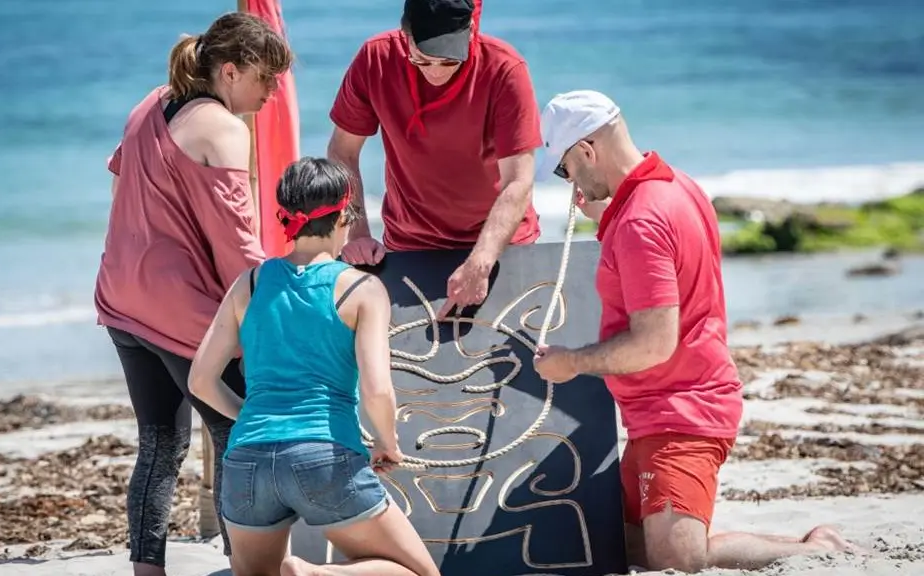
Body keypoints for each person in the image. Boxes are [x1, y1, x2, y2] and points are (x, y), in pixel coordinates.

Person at [530, 90, 862, 572]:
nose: (568, 182)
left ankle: (817, 551)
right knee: (600, 544)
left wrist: (573, 362)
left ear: (586, 151)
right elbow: (658, 259)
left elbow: (653, 343)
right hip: (660, 409)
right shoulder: (673, 186)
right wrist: (604, 216)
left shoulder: (639, 220)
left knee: (676, 560)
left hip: (683, 411)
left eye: (565, 169)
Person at [93, 12, 293, 575]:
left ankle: (147, 569)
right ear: (231, 71)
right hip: (184, 319)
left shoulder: (151, 102)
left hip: (122, 300)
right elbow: (238, 248)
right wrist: (284, 312)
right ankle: (246, 566)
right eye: (266, 79)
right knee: (237, 435)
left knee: (159, 443)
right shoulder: (226, 129)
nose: (273, 92)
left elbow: (117, 184)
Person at [188, 157, 441, 576]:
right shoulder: (361, 288)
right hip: (323, 455)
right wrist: (388, 442)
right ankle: (317, 573)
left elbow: (201, 379)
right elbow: (378, 390)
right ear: (344, 216)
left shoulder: (249, 283)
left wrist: (250, 418)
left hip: (246, 459)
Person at [327, 0, 542, 317]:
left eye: (448, 61)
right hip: (409, 245)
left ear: (470, 31)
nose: (436, 73)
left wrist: (481, 261)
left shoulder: (505, 69)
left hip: (501, 247)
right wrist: (357, 232)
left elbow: (519, 181)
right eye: (422, 61)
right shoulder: (375, 58)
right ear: (405, 34)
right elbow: (342, 152)